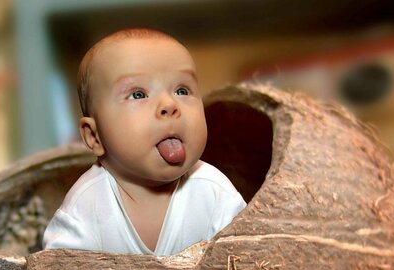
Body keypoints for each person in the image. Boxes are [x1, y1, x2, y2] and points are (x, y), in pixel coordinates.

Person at [43, 28, 245, 256]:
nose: (169, 104)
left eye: (181, 90)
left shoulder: (213, 191)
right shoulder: (88, 205)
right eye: (138, 94)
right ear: (94, 136)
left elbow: (247, 264)